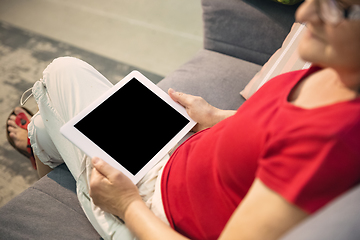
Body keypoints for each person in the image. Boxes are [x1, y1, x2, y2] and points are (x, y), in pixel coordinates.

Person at [6, 0, 360, 239]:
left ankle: (42, 146)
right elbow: (277, 128)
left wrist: (126, 205)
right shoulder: (336, 69)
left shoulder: (331, 144)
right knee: (73, 100)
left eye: (341, 9)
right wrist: (219, 118)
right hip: (176, 148)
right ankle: (44, 138)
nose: (305, 11)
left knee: (60, 72)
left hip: (154, 207)